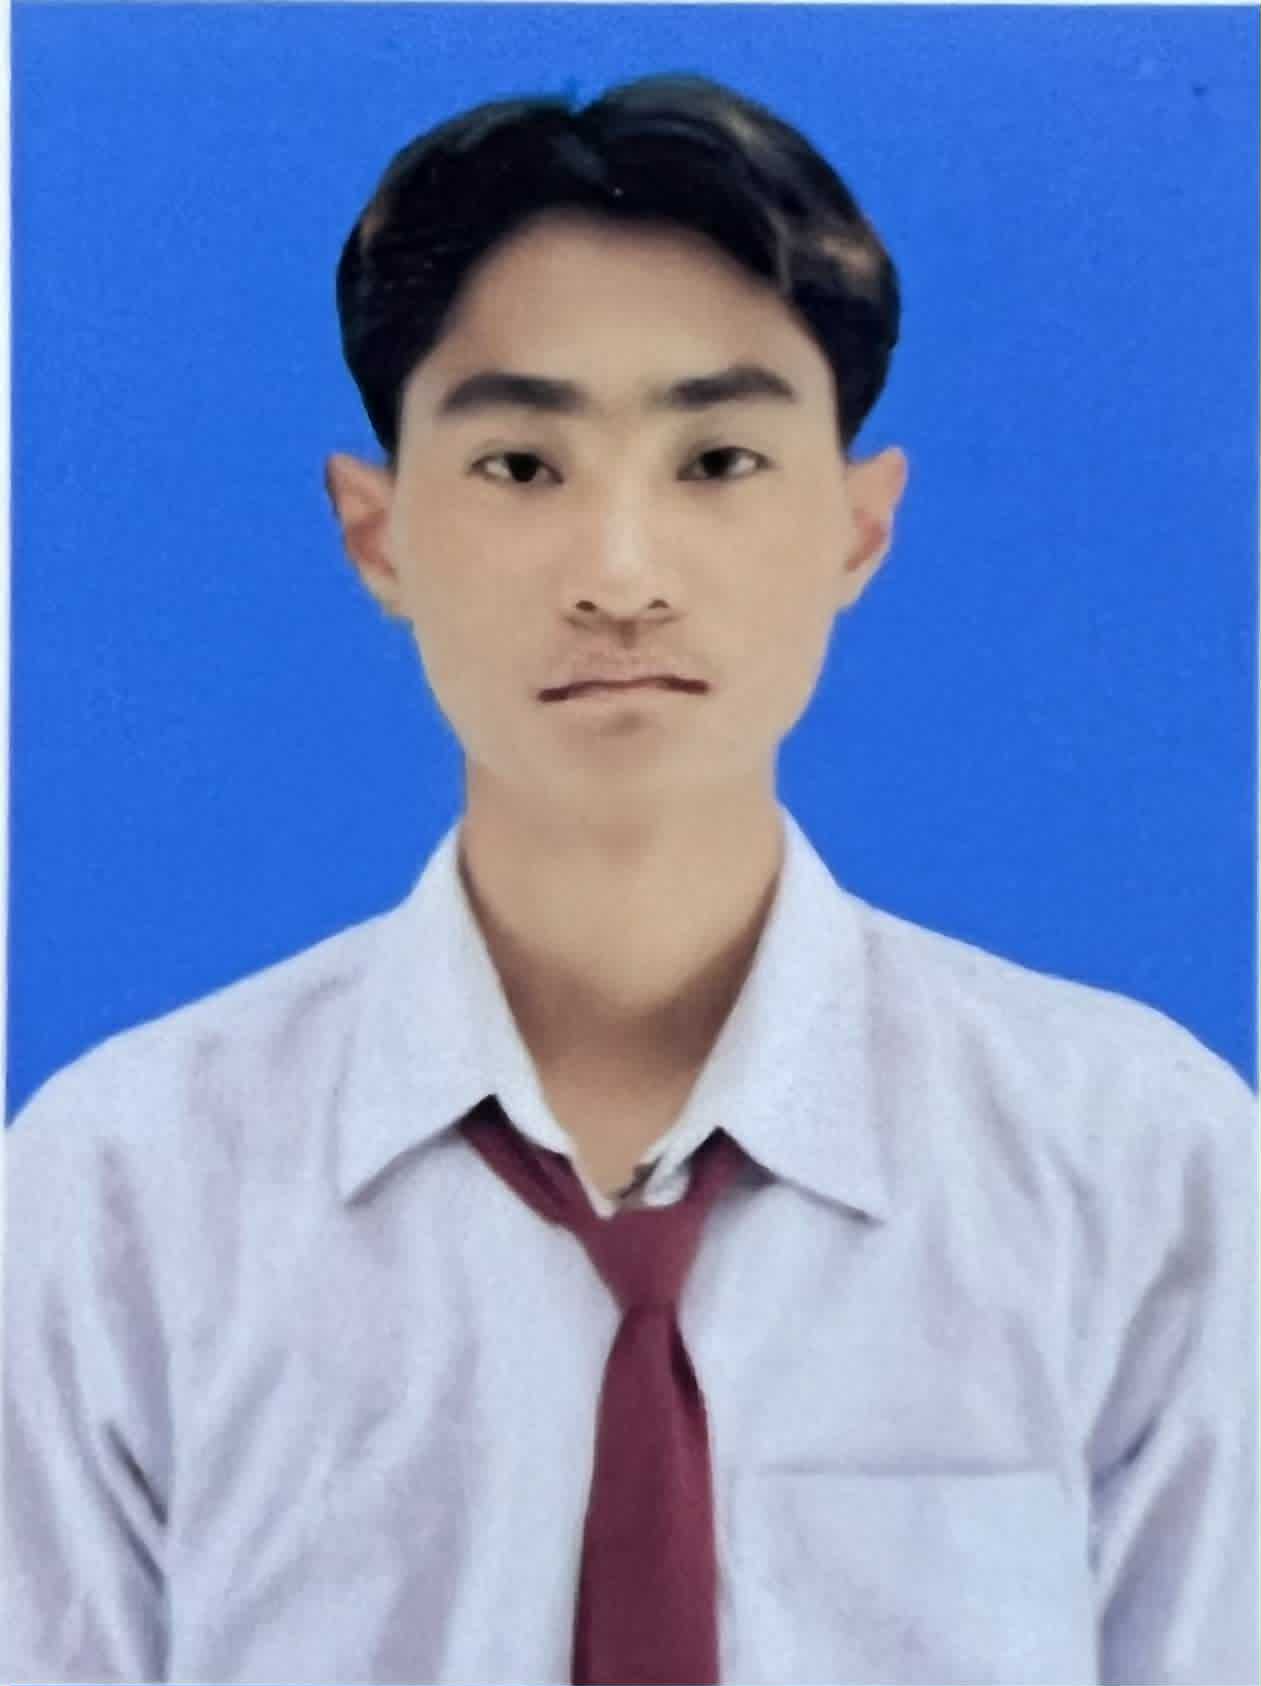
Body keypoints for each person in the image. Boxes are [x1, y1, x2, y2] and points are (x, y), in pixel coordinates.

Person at [2, 70, 1257, 1686]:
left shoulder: (1141, 1169)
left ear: (858, 527)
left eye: (717, 458)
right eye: (521, 465)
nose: (618, 575)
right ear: (376, 533)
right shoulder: (119, 1197)